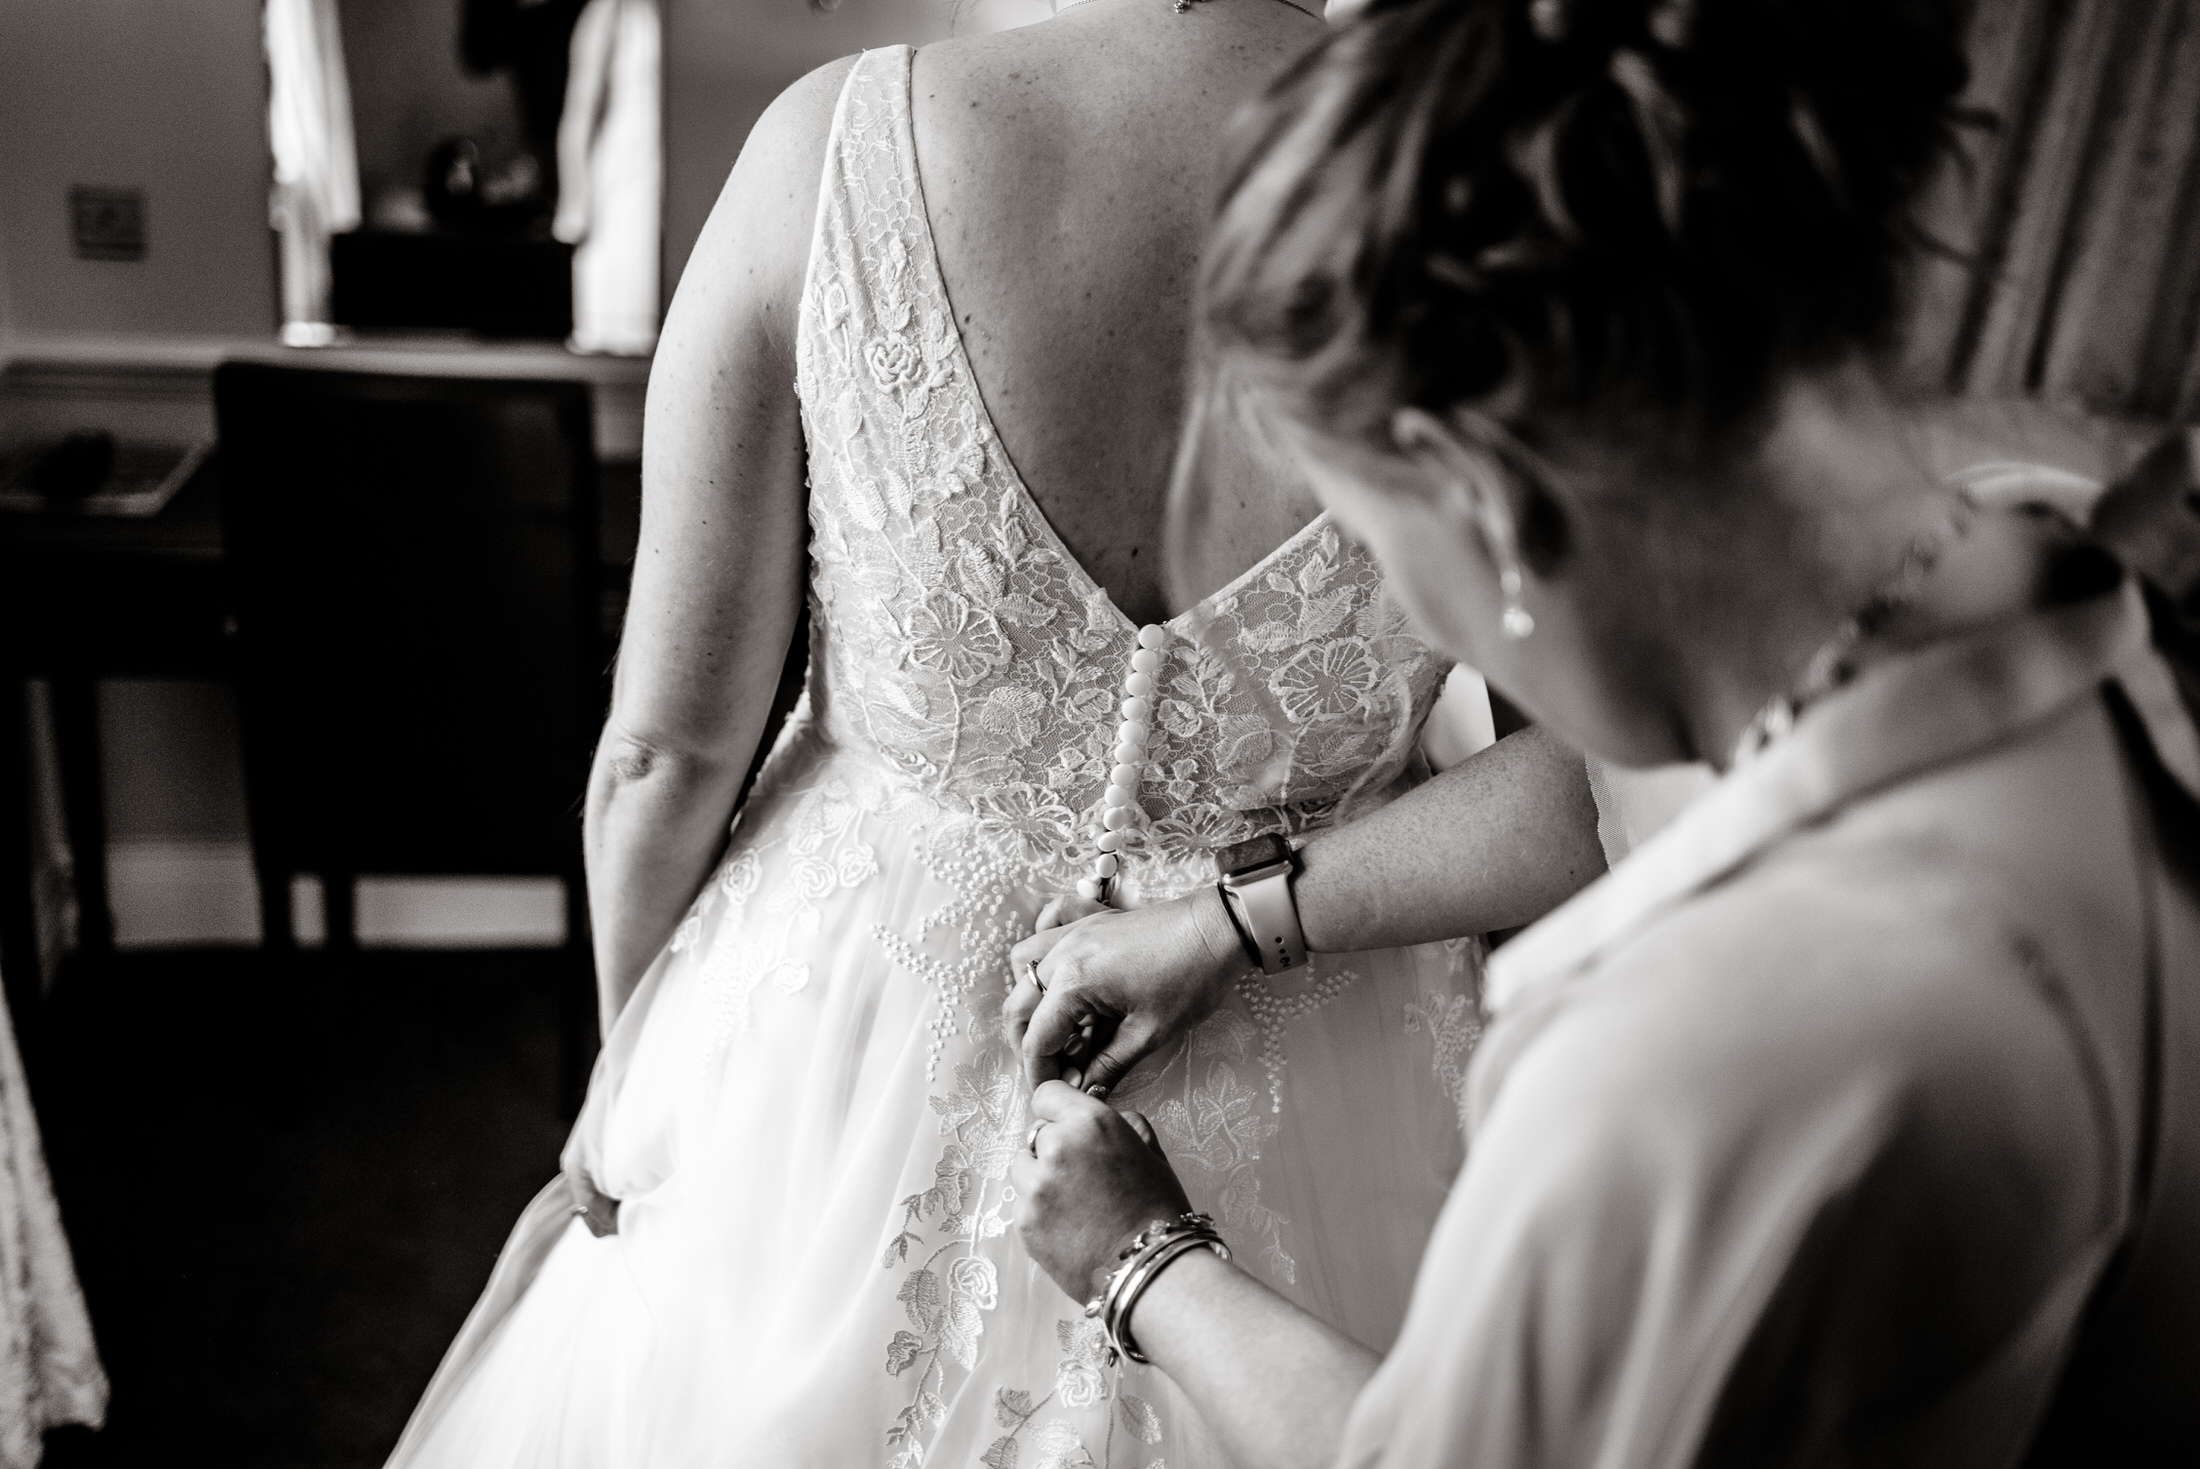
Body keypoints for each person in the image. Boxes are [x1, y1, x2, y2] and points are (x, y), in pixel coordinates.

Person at [382, 0, 1606, 1462]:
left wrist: (627, 1083)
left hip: (837, 1053)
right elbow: (1610, 779)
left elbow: (661, 757)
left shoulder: (824, 155)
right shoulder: (1520, 205)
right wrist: (1241, 913)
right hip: (1328, 1050)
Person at [1011, 0, 2200, 1465]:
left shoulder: (1690, 1075)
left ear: (1485, 498)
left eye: (1382, 547)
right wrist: (1230, 920)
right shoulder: (2074, 632)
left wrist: (1141, 1258)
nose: (1424, 626)